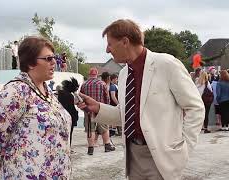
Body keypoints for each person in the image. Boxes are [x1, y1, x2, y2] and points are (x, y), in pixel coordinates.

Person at [77, 19, 205, 180]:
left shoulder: (166, 64)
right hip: (133, 157)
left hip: (164, 157)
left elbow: (195, 107)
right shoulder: (124, 74)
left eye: (110, 44)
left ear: (125, 42)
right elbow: (125, 115)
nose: (107, 49)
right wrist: (98, 108)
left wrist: (185, 148)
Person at [0, 36, 72, 179]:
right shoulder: (16, 90)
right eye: (48, 59)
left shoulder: (47, 92)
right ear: (31, 63)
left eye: (54, 58)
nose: (54, 62)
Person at [80, 68, 115, 155]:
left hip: (88, 110)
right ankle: (107, 146)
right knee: (104, 128)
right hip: (100, 109)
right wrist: (107, 107)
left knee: (90, 130)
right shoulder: (102, 84)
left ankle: (90, 148)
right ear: (97, 75)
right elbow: (107, 98)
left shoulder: (84, 84)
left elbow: (81, 97)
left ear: (89, 74)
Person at [58, 78, 79, 147]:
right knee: (69, 134)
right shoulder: (70, 96)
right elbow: (71, 108)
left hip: (60, 117)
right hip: (69, 118)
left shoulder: (60, 94)